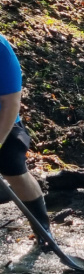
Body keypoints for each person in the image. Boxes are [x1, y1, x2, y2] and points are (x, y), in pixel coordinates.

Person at [0, 33, 53, 250]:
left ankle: (42, 226)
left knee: (14, 170)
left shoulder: (1, 49)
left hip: (4, 121)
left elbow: (11, 103)